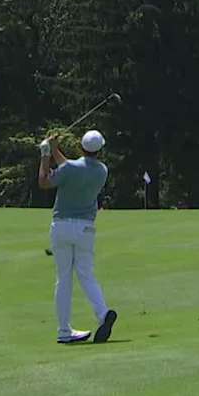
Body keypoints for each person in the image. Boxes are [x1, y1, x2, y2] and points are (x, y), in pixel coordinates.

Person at [38, 129, 119, 344]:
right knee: (86, 274)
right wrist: (55, 150)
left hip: (61, 226)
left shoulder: (70, 169)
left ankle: (64, 330)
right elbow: (71, 168)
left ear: (81, 147)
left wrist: (46, 154)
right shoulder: (102, 170)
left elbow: (44, 182)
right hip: (85, 229)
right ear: (100, 150)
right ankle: (102, 315)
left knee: (63, 278)